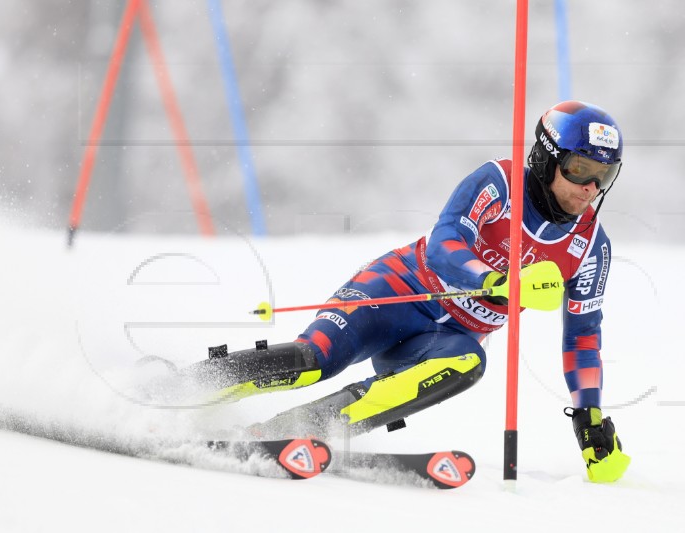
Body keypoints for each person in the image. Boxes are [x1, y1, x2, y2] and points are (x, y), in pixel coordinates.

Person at [186, 100, 630, 482]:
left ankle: (300, 427)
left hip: (445, 337)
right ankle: (184, 389)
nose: (589, 188)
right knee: (315, 359)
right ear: (547, 158)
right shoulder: (499, 182)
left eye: (602, 176)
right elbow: (444, 243)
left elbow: (583, 336)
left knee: (469, 362)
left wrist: (589, 419)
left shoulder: (590, 246)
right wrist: (493, 281)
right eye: (580, 169)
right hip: (396, 292)